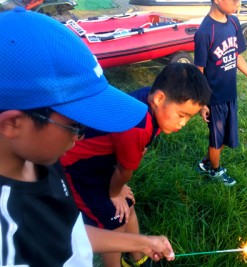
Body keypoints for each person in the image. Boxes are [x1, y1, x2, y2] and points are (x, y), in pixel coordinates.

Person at [0, 8, 174, 267]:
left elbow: (65, 231)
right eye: (75, 125)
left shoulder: (42, 160)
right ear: (13, 124)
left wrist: (142, 242)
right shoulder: (8, 235)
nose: (81, 137)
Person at [60, 63, 211, 267]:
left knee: (128, 207)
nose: (183, 123)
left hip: (104, 162)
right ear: (159, 98)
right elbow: (124, 170)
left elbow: (134, 155)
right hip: (79, 168)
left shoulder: (149, 103)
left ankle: (138, 259)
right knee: (113, 221)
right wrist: (115, 192)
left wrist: (120, 189)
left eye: (188, 118)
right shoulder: (137, 126)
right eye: (181, 115)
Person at [194, 0, 247, 186]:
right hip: (214, 98)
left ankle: (207, 162)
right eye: (233, 0)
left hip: (230, 93)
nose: (238, 3)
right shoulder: (205, 32)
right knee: (217, 139)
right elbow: (199, 71)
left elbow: (236, 55)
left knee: (226, 136)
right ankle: (215, 170)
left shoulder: (234, 22)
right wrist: (202, 102)